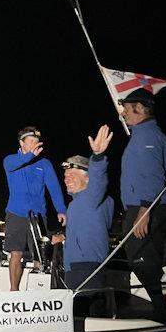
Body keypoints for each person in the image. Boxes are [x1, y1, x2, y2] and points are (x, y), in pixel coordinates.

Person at [119, 88, 166, 323]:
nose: (123, 114)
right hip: (149, 206)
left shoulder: (146, 136)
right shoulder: (144, 134)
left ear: (141, 109)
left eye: (127, 109)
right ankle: (165, 308)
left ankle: (163, 311)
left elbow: (153, 175)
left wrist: (144, 211)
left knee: (139, 258)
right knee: (150, 258)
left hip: (147, 207)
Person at [3, 126, 67, 291]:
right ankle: (13, 290)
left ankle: (39, 291)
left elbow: (54, 187)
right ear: (21, 143)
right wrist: (30, 155)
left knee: (40, 254)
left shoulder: (44, 164)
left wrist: (61, 209)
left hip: (38, 215)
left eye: (37, 142)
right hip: (16, 213)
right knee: (15, 253)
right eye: (31, 141)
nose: (35, 144)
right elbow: (14, 164)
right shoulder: (10, 160)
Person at [52, 125, 115, 292]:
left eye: (72, 175)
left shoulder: (91, 196)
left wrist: (98, 156)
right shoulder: (80, 203)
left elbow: (99, 180)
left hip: (85, 269)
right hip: (80, 267)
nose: (66, 179)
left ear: (88, 179)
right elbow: (89, 227)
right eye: (65, 176)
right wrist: (64, 238)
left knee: (84, 314)